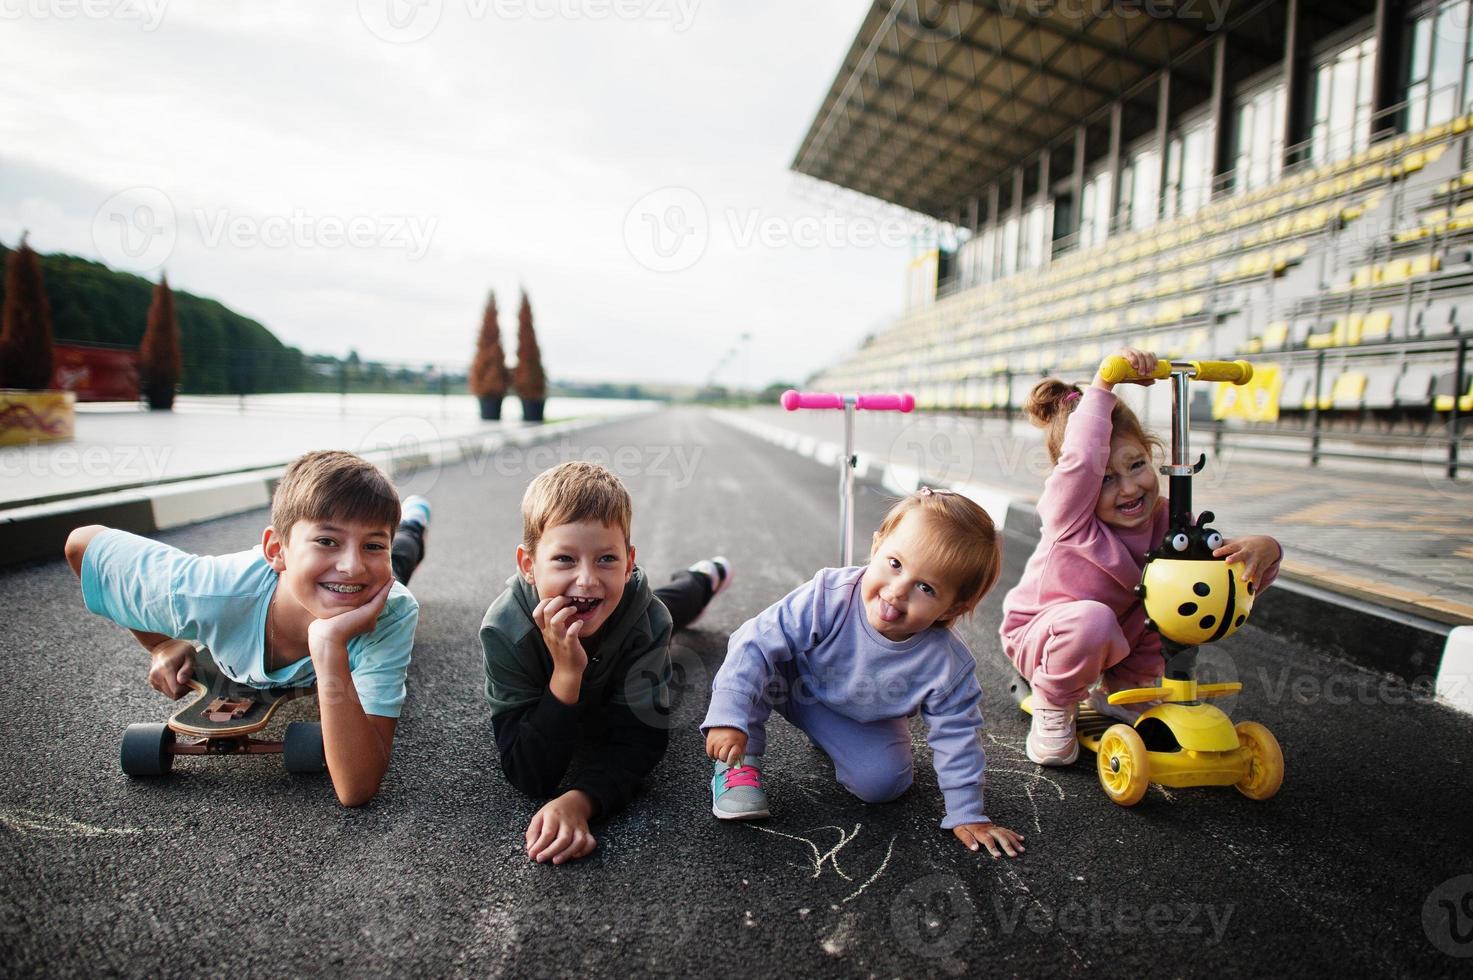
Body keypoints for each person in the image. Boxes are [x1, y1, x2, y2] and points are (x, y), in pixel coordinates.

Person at [64, 450, 432, 807]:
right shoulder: (208, 590)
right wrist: (160, 643)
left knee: (402, 555)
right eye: (326, 541)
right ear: (276, 549)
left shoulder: (391, 611)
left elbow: (356, 787)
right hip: (278, 586)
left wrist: (329, 644)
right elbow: (83, 544)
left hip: (367, 586)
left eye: (371, 544)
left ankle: (413, 519)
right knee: (367, 566)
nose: (351, 565)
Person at [700, 488, 1025, 859]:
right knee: (758, 661)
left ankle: (828, 735)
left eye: (926, 587)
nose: (896, 592)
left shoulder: (947, 663)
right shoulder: (830, 595)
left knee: (884, 784)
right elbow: (753, 643)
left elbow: (958, 735)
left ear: (956, 605)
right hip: (789, 682)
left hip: (854, 714)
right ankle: (738, 765)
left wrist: (968, 813)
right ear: (877, 545)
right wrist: (729, 717)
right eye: (895, 564)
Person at [1001, 347, 1283, 766]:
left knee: (1174, 595)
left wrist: (1267, 551)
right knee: (1093, 619)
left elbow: (1221, 576)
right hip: (1047, 636)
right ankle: (1054, 704)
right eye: (1107, 479)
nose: (1129, 488)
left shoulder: (1169, 520)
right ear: (1080, 486)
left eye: (1136, 466)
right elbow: (1081, 462)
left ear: (1152, 455)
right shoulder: (1070, 517)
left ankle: (1123, 694)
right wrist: (1104, 386)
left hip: (1123, 638)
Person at [480, 460, 731, 866]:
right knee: (636, 602)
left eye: (606, 559)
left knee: (669, 605)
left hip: (633, 614)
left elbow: (640, 740)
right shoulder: (505, 630)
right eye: (564, 559)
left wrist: (582, 801)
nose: (586, 579)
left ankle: (705, 577)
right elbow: (530, 773)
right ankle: (698, 577)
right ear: (528, 566)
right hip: (607, 618)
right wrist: (566, 674)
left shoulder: (647, 620)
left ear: (629, 561)